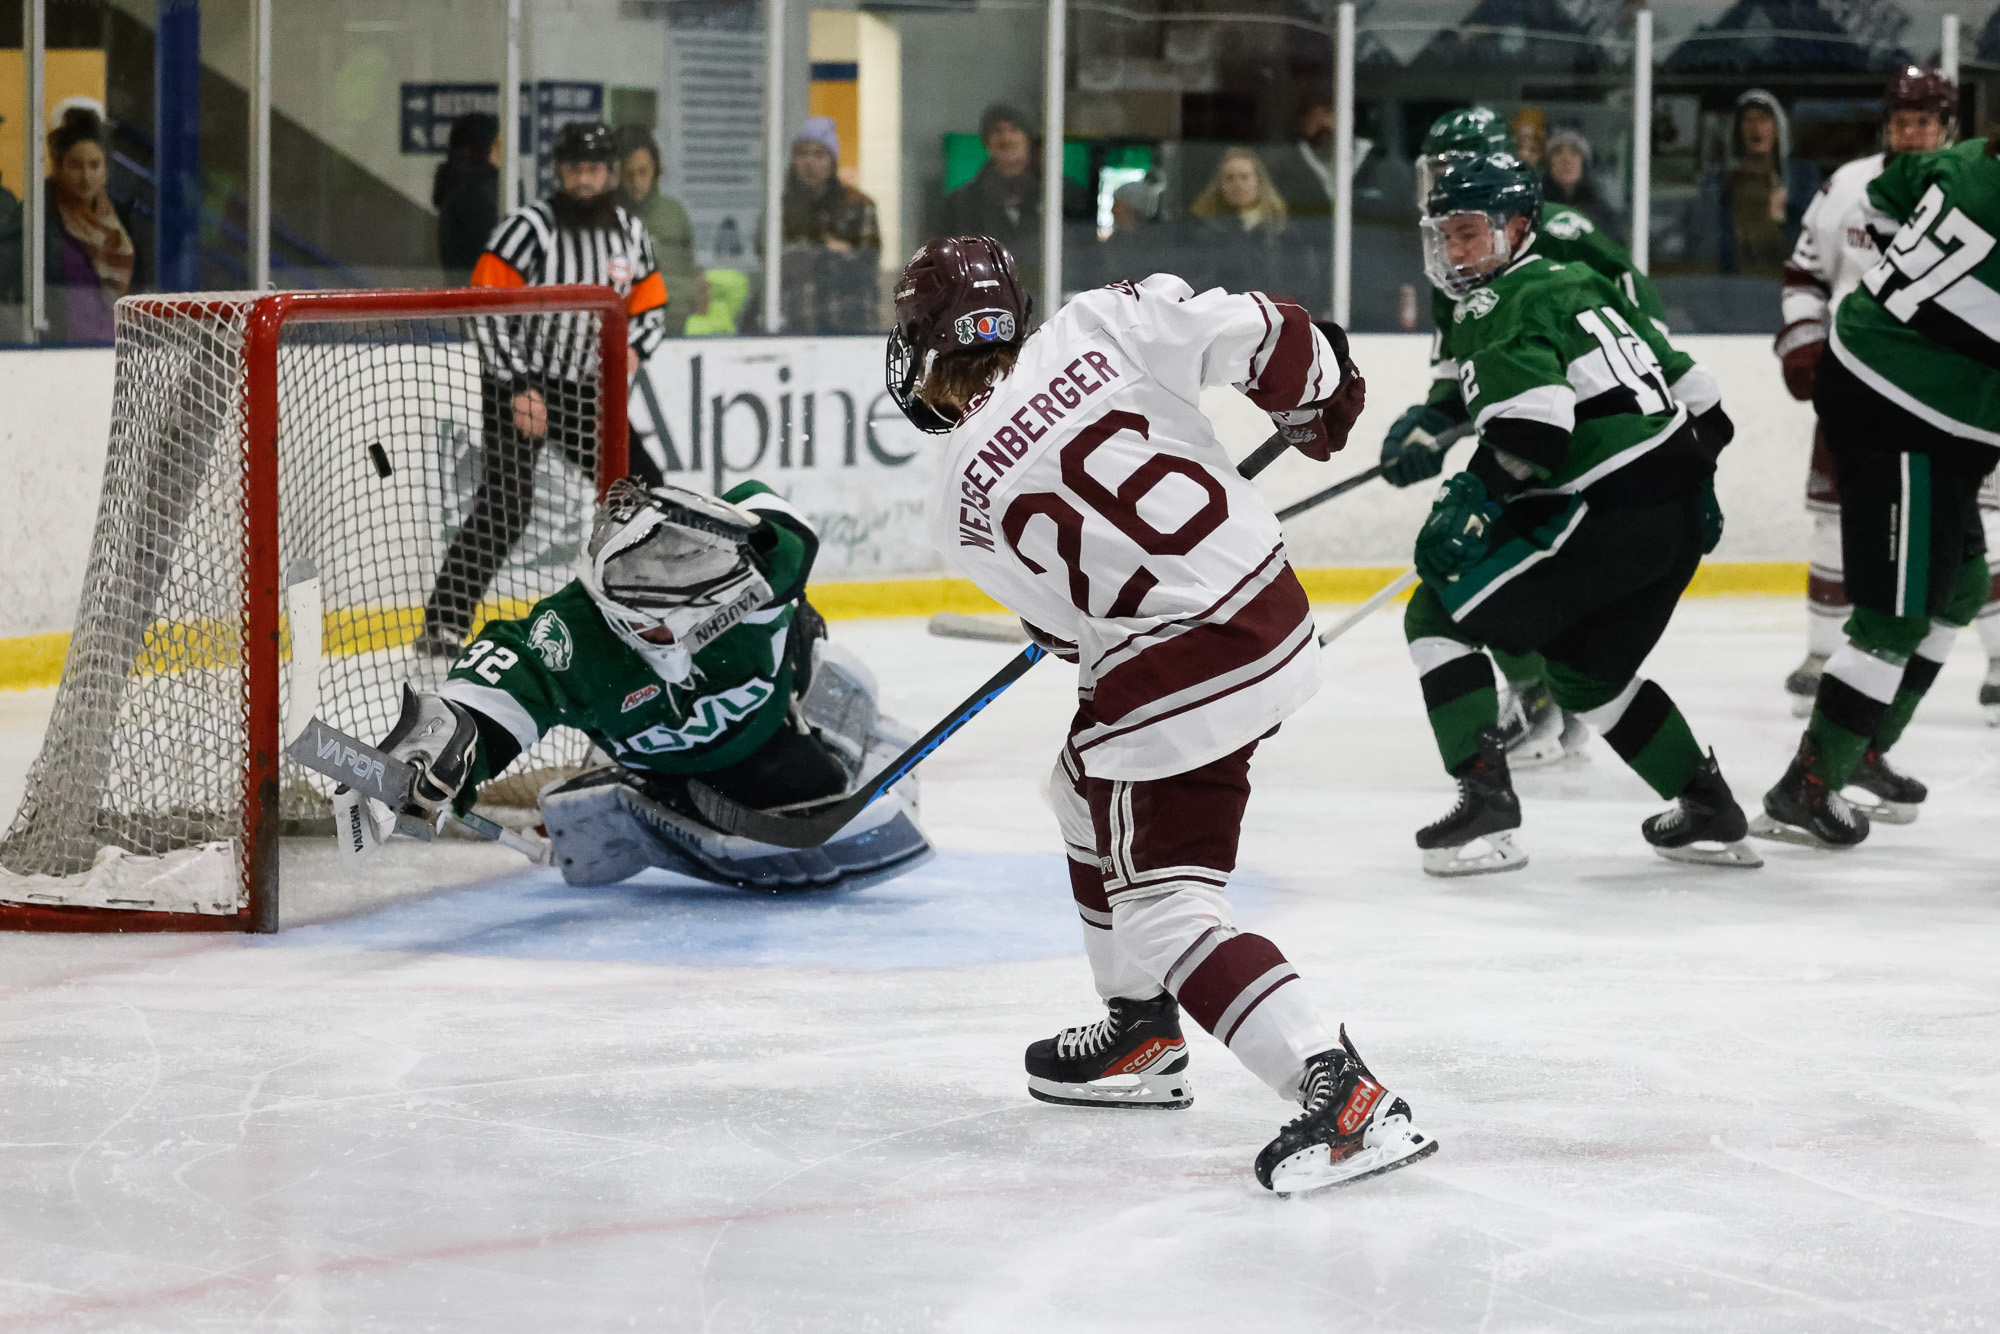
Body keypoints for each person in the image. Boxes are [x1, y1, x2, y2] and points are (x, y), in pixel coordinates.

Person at [884, 234, 1435, 1196]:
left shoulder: (955, 504)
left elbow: (1069, 635)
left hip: (1177, 666)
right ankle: (1139, 1032)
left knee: (1165, 910)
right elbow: (1267, 334)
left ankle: (1340, 1090)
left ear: (927, 356)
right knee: (1076, 787)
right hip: (1266, 609)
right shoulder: (1098, 323)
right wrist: (1319, 392)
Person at [1400, 153, 1758, 876]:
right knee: (1588, 676)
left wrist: (1467, 503)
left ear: (1518, 226)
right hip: (1675, 516)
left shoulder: (1495, 304)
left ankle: (1486, 805)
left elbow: (1534, 434)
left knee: (1434, 614)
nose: (1455, 251)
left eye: (1470, 233)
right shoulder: (1582, 284)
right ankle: (1708, 806)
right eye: (1447, 236)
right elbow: (1706, 400)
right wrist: (1701, 482)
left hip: (1608, 509)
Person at [345, 478, 931, 892]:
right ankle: (639, 785)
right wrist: (441, 751)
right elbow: (492, 690)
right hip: (677, 764)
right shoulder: (574, 635)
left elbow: (773, 518)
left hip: (779, 709)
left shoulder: (751, 573)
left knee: (836, 710)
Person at [1382, 106, 1671, 770]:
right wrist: (1429, 421)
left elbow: (1639, 330)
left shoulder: (1562, 235)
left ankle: (1550, 699)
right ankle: (1545, 699)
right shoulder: (1455, 246)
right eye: (1436, 169)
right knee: (1493, 567)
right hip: (1532, 431)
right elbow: (1461, 369)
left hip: (1590, 440)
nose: (1441, 184)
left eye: (1453, 168)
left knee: (1493, 570)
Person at [1753, 129, 2000, 848]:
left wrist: (1923, 291)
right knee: (1893, 617)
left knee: (1958, 585)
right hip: (1905, 410)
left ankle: (1859, 749)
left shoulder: (1967, 158)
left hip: (1922, 399)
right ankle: (1805, 787)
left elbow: (1885, 196)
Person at [413, 120, 670, 658]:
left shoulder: (629, 231)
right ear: (560, 171)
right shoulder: (528, 228)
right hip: (521, 384)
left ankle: (638, 605)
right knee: (505, 505)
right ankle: (443, 623)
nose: (586, 181)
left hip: (584, 389)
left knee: (640, 488)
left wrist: (635, 351)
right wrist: (515, 386)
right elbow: (483, 305)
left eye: (596, 169)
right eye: (576, 169)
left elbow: (651, 306)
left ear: (611, 173)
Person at [41, 107, 141, 344]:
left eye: (94, 165)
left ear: (106, 169)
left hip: (116, 346)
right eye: (75, 166)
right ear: (58, 167)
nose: (86, 177)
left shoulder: (123, 218)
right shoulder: (42, 215)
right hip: (58, 346)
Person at [776, 116, 881, 334]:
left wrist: (808, 254)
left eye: (819, 154)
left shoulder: (859, 206)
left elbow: (865, 266)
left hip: (851, 320)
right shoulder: (781, 210)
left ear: (833, 161)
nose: (809, 163)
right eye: (802, 154)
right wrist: (831, 251)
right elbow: (776, 264)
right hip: (799, 321)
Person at [1701, 90, 1819, 277]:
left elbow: (1813, 237)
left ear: (1777, 127)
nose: (1756, 128)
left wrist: (1784, 214)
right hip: (1737, 281)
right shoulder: (1719, 183)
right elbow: (1710, 242)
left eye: (1763, 120)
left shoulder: (1802, 178)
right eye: (1748, 121)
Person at [615, 126, 705, 338]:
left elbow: (691, 274)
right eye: (628, 174)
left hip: (676, 327)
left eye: (643, 172)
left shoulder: (674, 214)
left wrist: (693, 292)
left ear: (656, 170)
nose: (636, 182)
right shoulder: (609, 217)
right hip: (625, 330)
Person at [939, 105, 1043, 285]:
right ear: (987, 142)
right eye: (997, 131)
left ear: (1028, 139)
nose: (1006, 138)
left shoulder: (1063, 196)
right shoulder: (960, 203)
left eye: (1014, 129)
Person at [1187, 147, 1289, 293]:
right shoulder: (1203, 230)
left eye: (1244, 177)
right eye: (1229, 178)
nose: (1238, 185)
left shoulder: (1282, 228)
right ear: (1220, 186)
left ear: (1258, 182)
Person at [434, 112, 500, 287]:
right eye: (497, 143)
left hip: (465, 292)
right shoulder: (474, 190)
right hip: (479, 295)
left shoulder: (456, 181)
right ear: (484, 148)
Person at [1542, 127, 1622, 238]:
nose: (1566, 159)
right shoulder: (1537, 208)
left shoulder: (1603, 214)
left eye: (1574, 152)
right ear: (1548, 164)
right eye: (1558, 152)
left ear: (1584, 164)